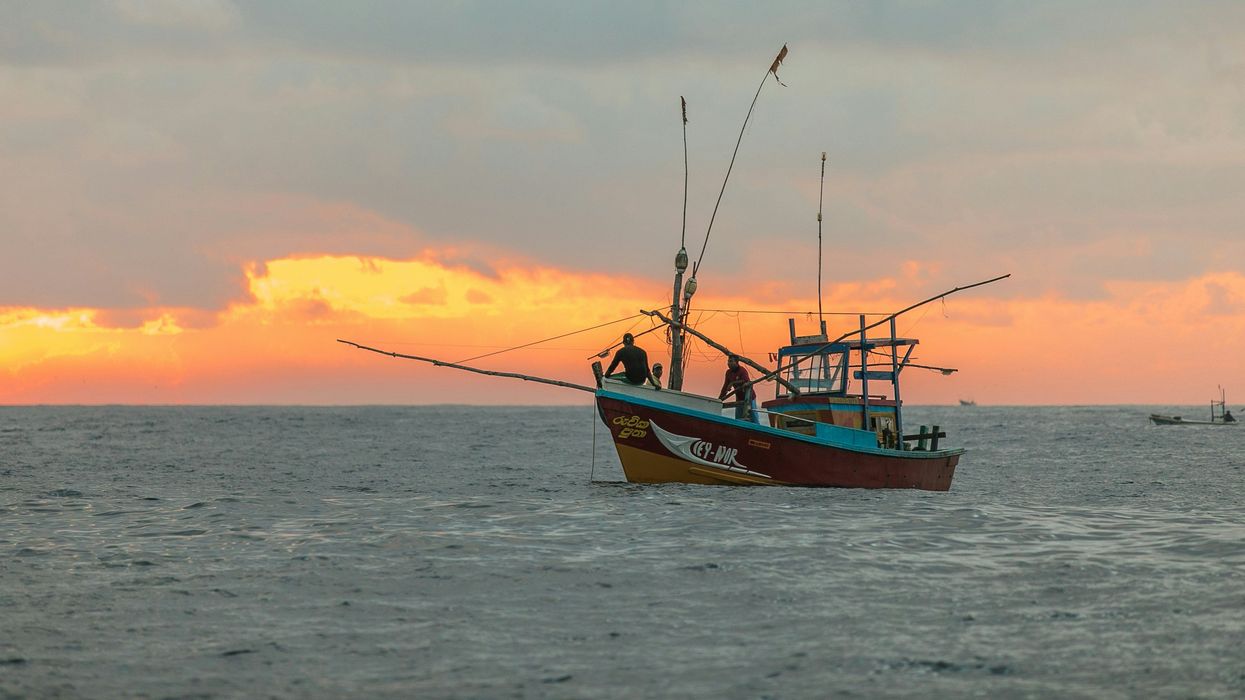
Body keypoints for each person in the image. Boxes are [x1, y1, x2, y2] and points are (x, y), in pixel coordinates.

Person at [718, 354, 754, 419]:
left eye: (731, 361)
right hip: (739, 398)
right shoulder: (728, 372)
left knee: (753, 418)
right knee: (738, 418)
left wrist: (732, 383)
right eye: (728, 361)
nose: (729, 363)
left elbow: (746, 380)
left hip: (749, 397)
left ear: (736, 362)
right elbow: (725, 387)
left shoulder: (742, 370)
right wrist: (719, 400)